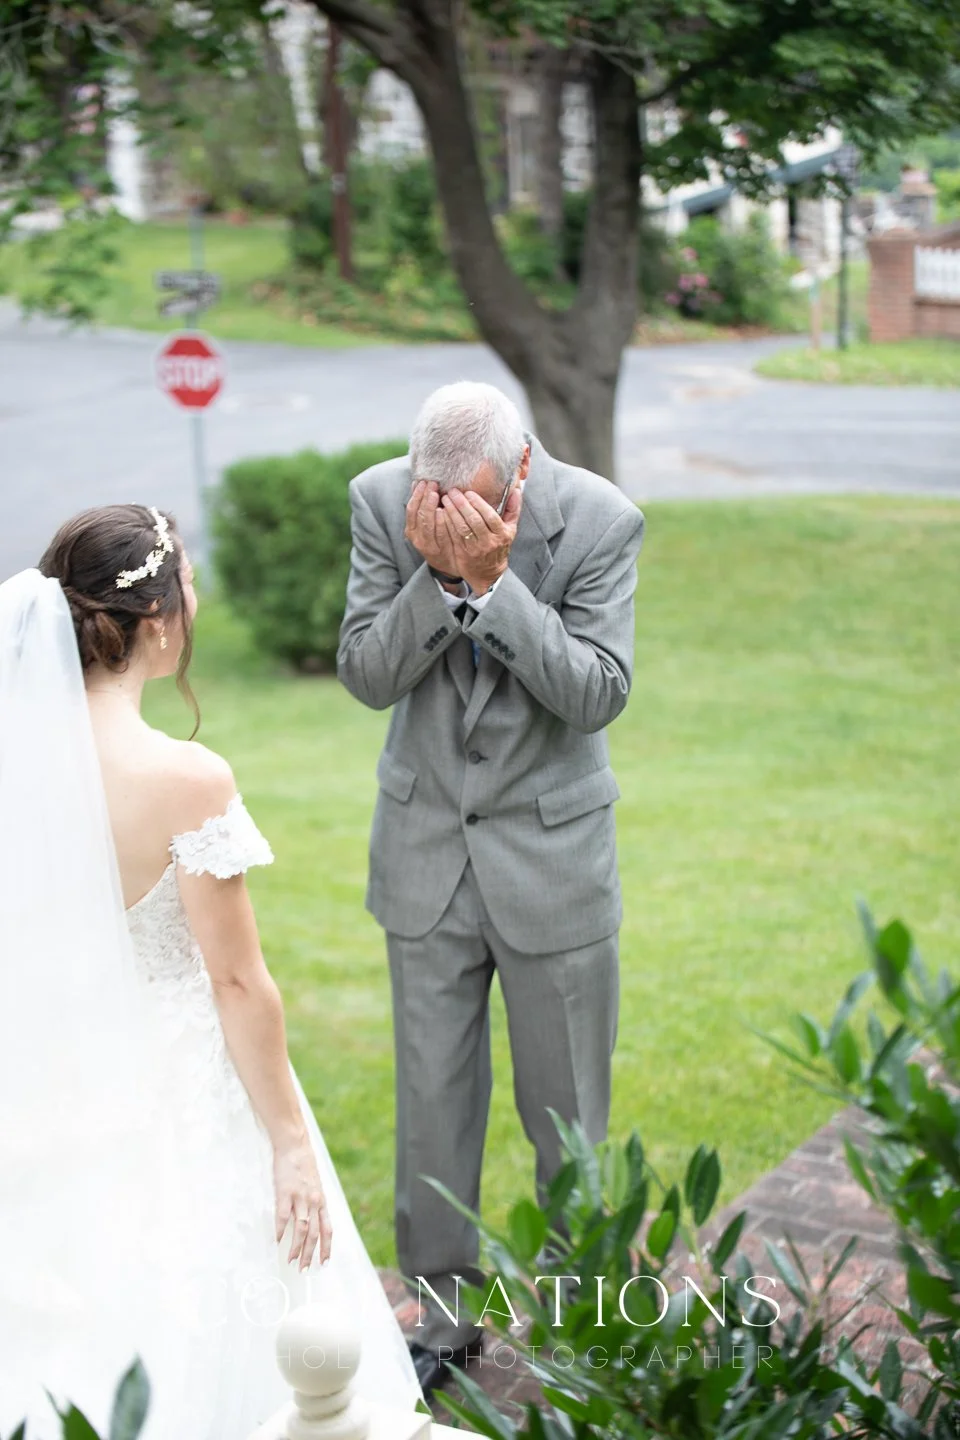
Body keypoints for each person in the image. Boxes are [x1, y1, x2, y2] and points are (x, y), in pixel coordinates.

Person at [0, 505, 421, 1439]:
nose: (197, 596)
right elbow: (238, 983)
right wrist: (288, 1142)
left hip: (47, 1072)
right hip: (176, 1079)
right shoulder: (187, 779)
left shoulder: (15, 765)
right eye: (187, 580)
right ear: (156, 620)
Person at [337, 381, 645, 1395]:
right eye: (433, 496)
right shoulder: (385, 501)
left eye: (463, 500)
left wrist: (495, 584)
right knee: (432, 1104)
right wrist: (435, 583)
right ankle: (441, 1317)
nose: (441, 511)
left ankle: (581, 1312)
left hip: (551, 866)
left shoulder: (599, 520)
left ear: (516, 473)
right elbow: (367, 674)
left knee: (567, 1113)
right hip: (425, 854)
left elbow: (596, 691)